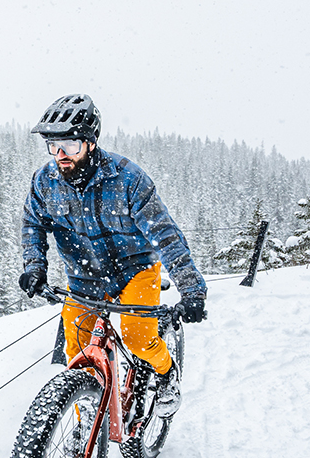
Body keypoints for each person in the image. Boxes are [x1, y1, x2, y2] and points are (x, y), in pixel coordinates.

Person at [19, 94, 207, 417]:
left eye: (70, 146)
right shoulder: (45, 183)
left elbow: (166, 235)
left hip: (135, 270)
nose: (61, 156)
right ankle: (83, 430)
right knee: (77, 357)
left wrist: (192, 290)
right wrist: (35, 267)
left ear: (90, 143)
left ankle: (165, 372)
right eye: (54, 147)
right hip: (82, 279)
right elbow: (32, 221)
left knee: (138, 339)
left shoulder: (127, 180)